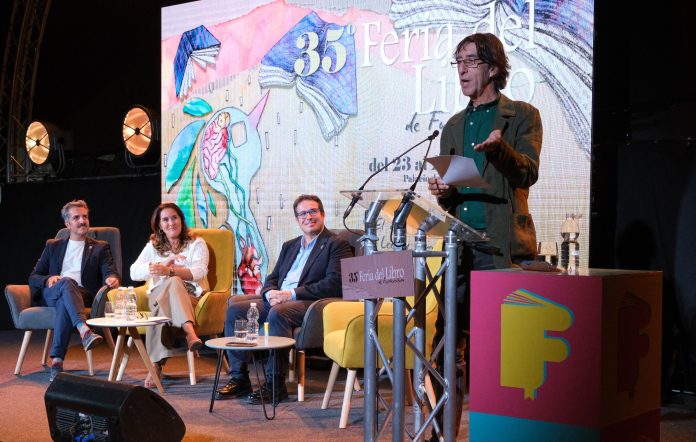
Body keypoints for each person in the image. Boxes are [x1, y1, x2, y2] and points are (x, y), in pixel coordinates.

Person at [427, 33, 542, 435]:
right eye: (457, 61)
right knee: (447, 344)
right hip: (459, 246)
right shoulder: (453, 126)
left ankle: (506, 431)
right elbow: (453, 197)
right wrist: (443, 191)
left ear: (493, 68)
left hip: (501, 245)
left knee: (504, 347)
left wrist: (499, 150)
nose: (461, 69)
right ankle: (443, 433)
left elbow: (527, 172)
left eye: (470, 61)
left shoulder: (522, 115)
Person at [216, 194, 352, 404]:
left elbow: (334, 283)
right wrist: (270, 293)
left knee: (278, 313)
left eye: (313, 211)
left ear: (322, 214)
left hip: (310, 303)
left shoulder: (336, 244)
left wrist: (291, 294)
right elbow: (273, 278)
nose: (308, 217)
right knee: (236, 310)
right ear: (297, 219)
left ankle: (275, 384)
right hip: (280, 299)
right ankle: (239, 377)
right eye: (303, 214)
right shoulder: (290, 245)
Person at [29, 200, 120, 381]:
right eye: (76, 217)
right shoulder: (53, 246)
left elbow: (110, 271)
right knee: (66, 282)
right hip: (54, 291)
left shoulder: (100, 247)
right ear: (67, 224)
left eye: (85, 217)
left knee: (65, 303)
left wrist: (112, 278)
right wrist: (48, 279)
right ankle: (84, 330)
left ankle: (57, 361)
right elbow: (34, 277)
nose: (82, 221)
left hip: (82, 295)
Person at [130, 202, 209, 388]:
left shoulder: (196, 243)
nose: (171, 223)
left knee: (165, 299)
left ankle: (156, 365)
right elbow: (133, 272)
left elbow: (199, 272)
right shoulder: (153, 247)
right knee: (170, 285)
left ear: (181, 220)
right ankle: (190, 332)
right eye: (165, 220)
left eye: (174, 218)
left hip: (189, 294)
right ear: (159, 225)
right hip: (159, 292)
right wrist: (158, 267)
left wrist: (170, 271)